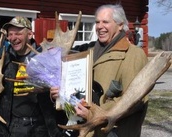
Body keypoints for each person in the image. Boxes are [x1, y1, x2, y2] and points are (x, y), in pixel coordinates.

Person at [51, 4, 148, 137]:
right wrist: (60, 94)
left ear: (120, 25)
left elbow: (134, 100)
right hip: (85, 131)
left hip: (113, 133)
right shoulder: (87, 53)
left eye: (105, 22)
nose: (99, 26)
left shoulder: (133, 55)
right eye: (97, 22)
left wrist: (93, 113)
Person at [0, 16, 68, 137]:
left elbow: (61, 90)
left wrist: (56, 95)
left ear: (29, 35)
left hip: (41, 126)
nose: (13, 38)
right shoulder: (4, 61)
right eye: (10, 34)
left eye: (18, 33)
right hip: (13, 127)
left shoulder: (45, 59)